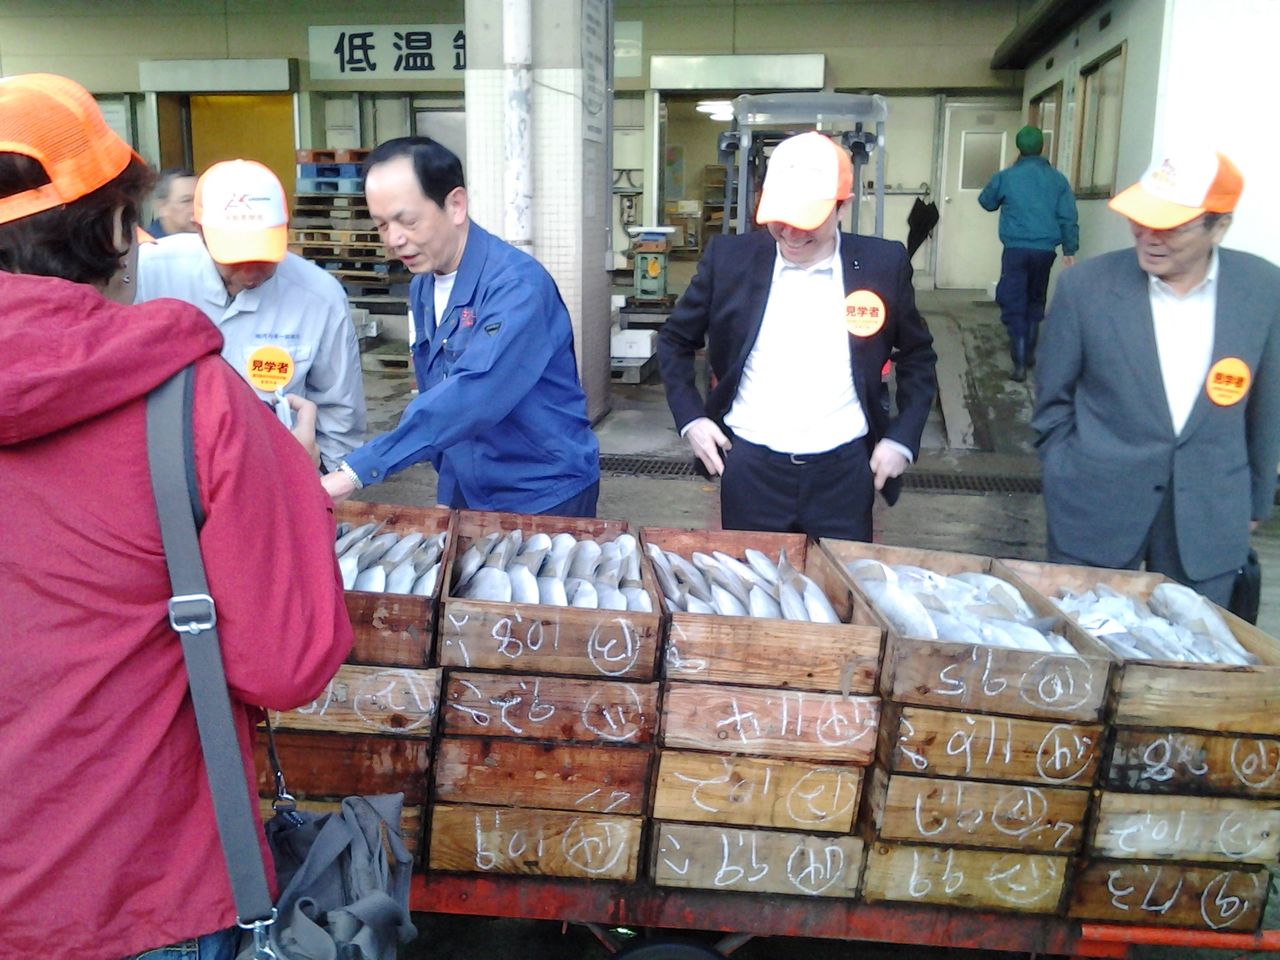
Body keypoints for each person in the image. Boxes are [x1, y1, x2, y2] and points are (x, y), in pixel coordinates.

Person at [0, 74, 353, 960]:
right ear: (121, 232)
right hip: (149, 888)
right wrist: (294, 490)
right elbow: (288, 663)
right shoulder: (191, 401)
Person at [657, 131, 937, 541]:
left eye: (807, 220)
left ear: (843, 207)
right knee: (752, 577)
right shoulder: (730, 260)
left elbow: (917, 355)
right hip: (751, 470)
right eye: (780, 217)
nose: (790, 232)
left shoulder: (882, 264)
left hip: (844, 474)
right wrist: (692, 420)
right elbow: (675, 341)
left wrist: (902, 438)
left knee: (839, 579)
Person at [1033, 148, 1280, 606]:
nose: (1149, 236)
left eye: (1171, 226)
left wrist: (1254, 501)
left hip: (1210, 515)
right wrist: (1064, 475)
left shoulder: (1263, 289)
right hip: (1094, 510)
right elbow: (1051, 402)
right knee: (1088, 639)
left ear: (1219, 227)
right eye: (1142, 219)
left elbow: (1267, 407)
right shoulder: (1085, 289)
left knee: (1196, 643)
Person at [320, 137, 601, 516]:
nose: (394, 239)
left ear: (455, 205)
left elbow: (474, 395)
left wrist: (356, 471)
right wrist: (449, 491)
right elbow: (439, 389)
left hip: (542, 491)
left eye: (408, 221)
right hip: (471, 486)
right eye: (381, 225)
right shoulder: (423, 284)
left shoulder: (517, 287)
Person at [137, 159, 367, 472]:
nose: (249, 271)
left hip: (273, 472)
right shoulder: (149, 274)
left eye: (262, 256)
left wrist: (324, 483)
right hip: (170, 470)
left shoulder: (319, 298)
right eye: (234, 257)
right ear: (201, 231)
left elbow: (341, 414)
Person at [978, 125, 1079, 381]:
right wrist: (1069, 248)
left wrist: (1004, 182)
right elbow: (1068, 216)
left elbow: (986, 202)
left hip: (1016, 249)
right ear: (1041, 147)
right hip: (1045, 252)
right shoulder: (1057, 179)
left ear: (1019, 147)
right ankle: (1030, 355)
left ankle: (1019, 363)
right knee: (1035, 299)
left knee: (1014, 301)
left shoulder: (1007, 176)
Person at [146, 166, 197, 238]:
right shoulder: (147, 244)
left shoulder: (210, 239)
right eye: (187, 201)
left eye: (199, 199)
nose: (196, 207)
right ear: (161, 206)